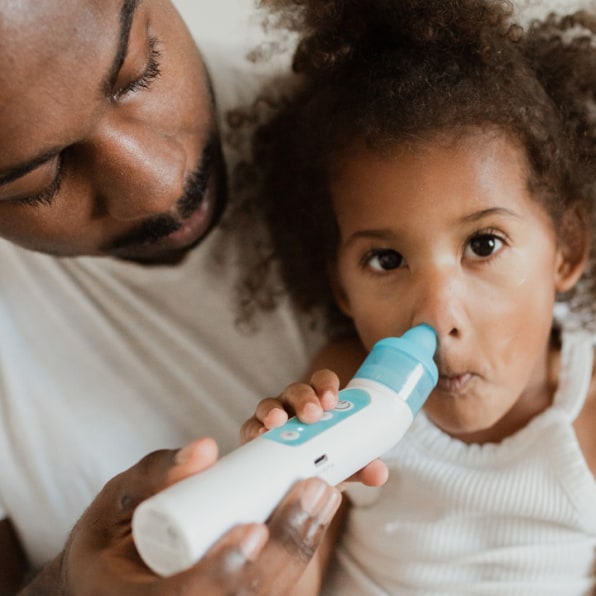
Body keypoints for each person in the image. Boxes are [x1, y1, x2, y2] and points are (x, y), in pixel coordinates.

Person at [0, 0, 369, 593]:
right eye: (37, 178)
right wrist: (63, 585)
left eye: (138, 72)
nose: (157, 186)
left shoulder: (412, 140)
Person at [242, 0, 596, 593]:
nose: (436, 317)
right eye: (386, 260)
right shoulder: (345, 389)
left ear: (566, 249)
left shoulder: (586, 414)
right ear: (340, 286)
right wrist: (283, 486)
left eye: (483, 244)